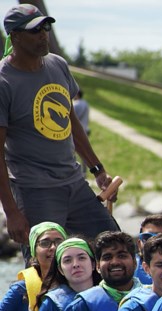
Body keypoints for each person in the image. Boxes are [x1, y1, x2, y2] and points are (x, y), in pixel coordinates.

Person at [0, 4, 120, 247]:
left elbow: (71, 122)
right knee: (44, 265)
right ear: (15, 36)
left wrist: (97, 169)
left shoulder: (57, 65)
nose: (44, 34)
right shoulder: (4, 82)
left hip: (74, 183)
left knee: (112, 246)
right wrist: (11, 211)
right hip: (35, 191)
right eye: (35, 30)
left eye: (46, 26)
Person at [0, 222, 65, 311]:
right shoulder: (21, 289)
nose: (53, 247)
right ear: (34, 251)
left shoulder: (79, 282)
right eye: (45, 243)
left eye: (59, 242)